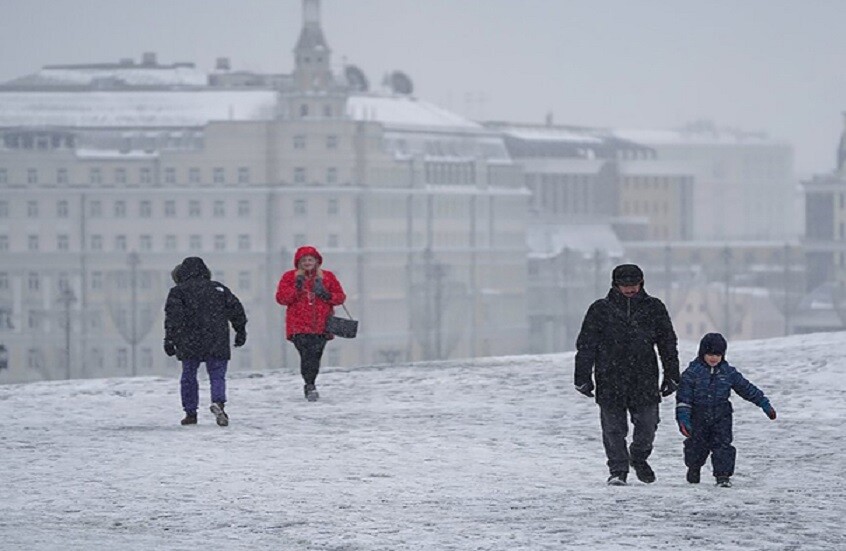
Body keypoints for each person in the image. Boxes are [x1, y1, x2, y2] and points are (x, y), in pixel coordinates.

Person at [574, 263, 680, 485]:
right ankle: (618, 470)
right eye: (625, 285)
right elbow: (586, 345)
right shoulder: (600, 310)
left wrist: (672, 375)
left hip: (645, 378)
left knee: (648, 427)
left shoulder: (654, 308)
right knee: (613, 429)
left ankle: (639, 457)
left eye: (635, 284)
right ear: (615, 285)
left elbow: (667, 343)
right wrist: (582, 378)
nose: (630, 289)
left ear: (642, 283)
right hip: (609, 378)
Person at [676, 333, 777, 488]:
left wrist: (764, 403)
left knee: (723, 445)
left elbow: (746, 388)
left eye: (718, 355)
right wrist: (683, 420)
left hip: (721, 415)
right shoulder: (692, 373)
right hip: (698, 415)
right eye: (710, 354)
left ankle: (723, 476)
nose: (713, 358)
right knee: (696, 445)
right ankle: (694, 467)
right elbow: (684, 399)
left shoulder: (728, 372)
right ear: (702, 353)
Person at [164, 257, 247, 426]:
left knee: (189, 376)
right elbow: (236, 309)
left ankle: (190, 413)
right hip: (216, 338)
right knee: (217, 375)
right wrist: (240, 330)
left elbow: (173, 318)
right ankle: (218, 403)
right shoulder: (218, 289)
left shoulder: (178, 292)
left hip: (188, 338)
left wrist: (170, 339)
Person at [275, 245, 347, 402]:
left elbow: (340, 297)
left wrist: (326, 295)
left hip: (321, 325)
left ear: (316, 261)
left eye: (310, 259)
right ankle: (310, 384)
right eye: (304, 260)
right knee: (306, 354)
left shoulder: (327, 277)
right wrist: (297, 289)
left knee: (315, 354)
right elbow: (281, 298)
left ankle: (310, 383)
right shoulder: (290, 277)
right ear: (298, 262)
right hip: (298, 325)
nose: (307, 262)